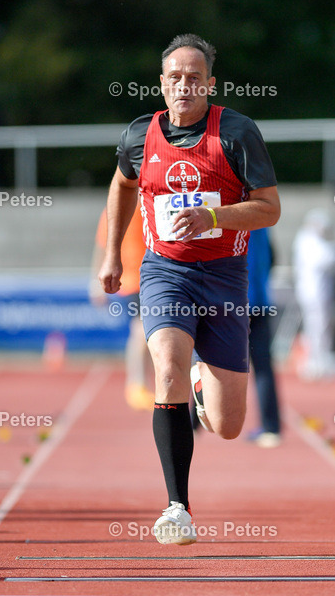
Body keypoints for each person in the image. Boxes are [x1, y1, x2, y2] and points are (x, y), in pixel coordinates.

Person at [98, 33, 280, 545]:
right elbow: (122, 185)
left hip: (224, 276)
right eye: (175, 77)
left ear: (210, 84)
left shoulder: (238, 133)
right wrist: (113, 254)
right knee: (167, 367)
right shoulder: (139, 135)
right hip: (165, 272)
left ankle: (203, 385)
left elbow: (270, 208)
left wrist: (212, 216)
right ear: (162, 83)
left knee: (227, 425)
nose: (184, 85)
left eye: (194, 78)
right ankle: (177, 506)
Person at [92, 204, 154, 410]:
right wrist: (95, 282)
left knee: (148, 333)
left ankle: (140, 384)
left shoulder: (150, 200)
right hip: (132, 280)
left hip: (153, 277)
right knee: (141, 330)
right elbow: (102, 245)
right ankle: (136, 385)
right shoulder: (115, 207)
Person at [293, 209, 335, 379]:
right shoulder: (307, 240)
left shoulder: (312, 241)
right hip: (312, 292)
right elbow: (326, 259)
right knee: (315, 327)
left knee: (322, 326)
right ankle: (314, 361)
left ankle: (322, 358)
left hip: (320, 291)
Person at [246, 227, 282, 446]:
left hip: (238, 302)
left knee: (205, 358)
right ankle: (271, 426)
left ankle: (192, 422)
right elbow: (272, 257)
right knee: (263, 365)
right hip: (261, 299)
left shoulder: (234, 220)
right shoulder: (262, 223)